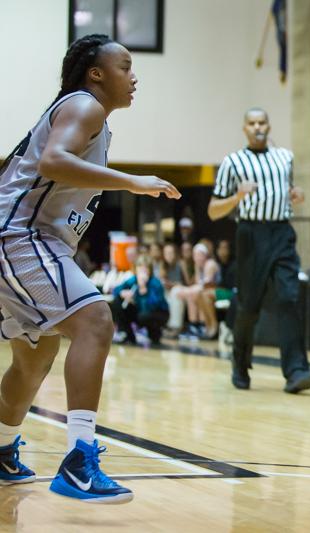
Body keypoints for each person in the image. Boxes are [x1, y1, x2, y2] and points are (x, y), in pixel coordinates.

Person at [0, 34, 179, 502]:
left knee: (34, 357)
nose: (133, 76)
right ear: (96, 73)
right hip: (18, 237)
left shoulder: (83, 113)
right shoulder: (85, 106)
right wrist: (134, 183)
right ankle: (79, 464)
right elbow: (54, 161)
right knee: (96, 320)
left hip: (24, 238)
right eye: (124, 66)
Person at [208, 107, 310, 392]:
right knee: (248, 306)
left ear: (269, 125)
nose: (258, 127)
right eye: (252, 123)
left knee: (289, 298)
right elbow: (213, 210)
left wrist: (298, 195)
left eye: (262, 122)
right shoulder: (233, 162)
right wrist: (237, 196)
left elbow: (291, 191)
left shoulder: (285, 157)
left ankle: (297, 371)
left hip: (281, 231)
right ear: (244, 129)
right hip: (250, 234)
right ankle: (240, 363)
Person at [111, 257, 169, 345]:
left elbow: (152, 306)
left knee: (145, 316)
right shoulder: (133, 280)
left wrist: (143, 291)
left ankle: (154, 334)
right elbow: (116, 290)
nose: (143, 270)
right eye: (140, 268)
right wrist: (122, 293)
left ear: (150, 270)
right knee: (117, 302)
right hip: (140, 313)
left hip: (157, 313)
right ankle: (128, 335)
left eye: (146, 268)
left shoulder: (155, 283)